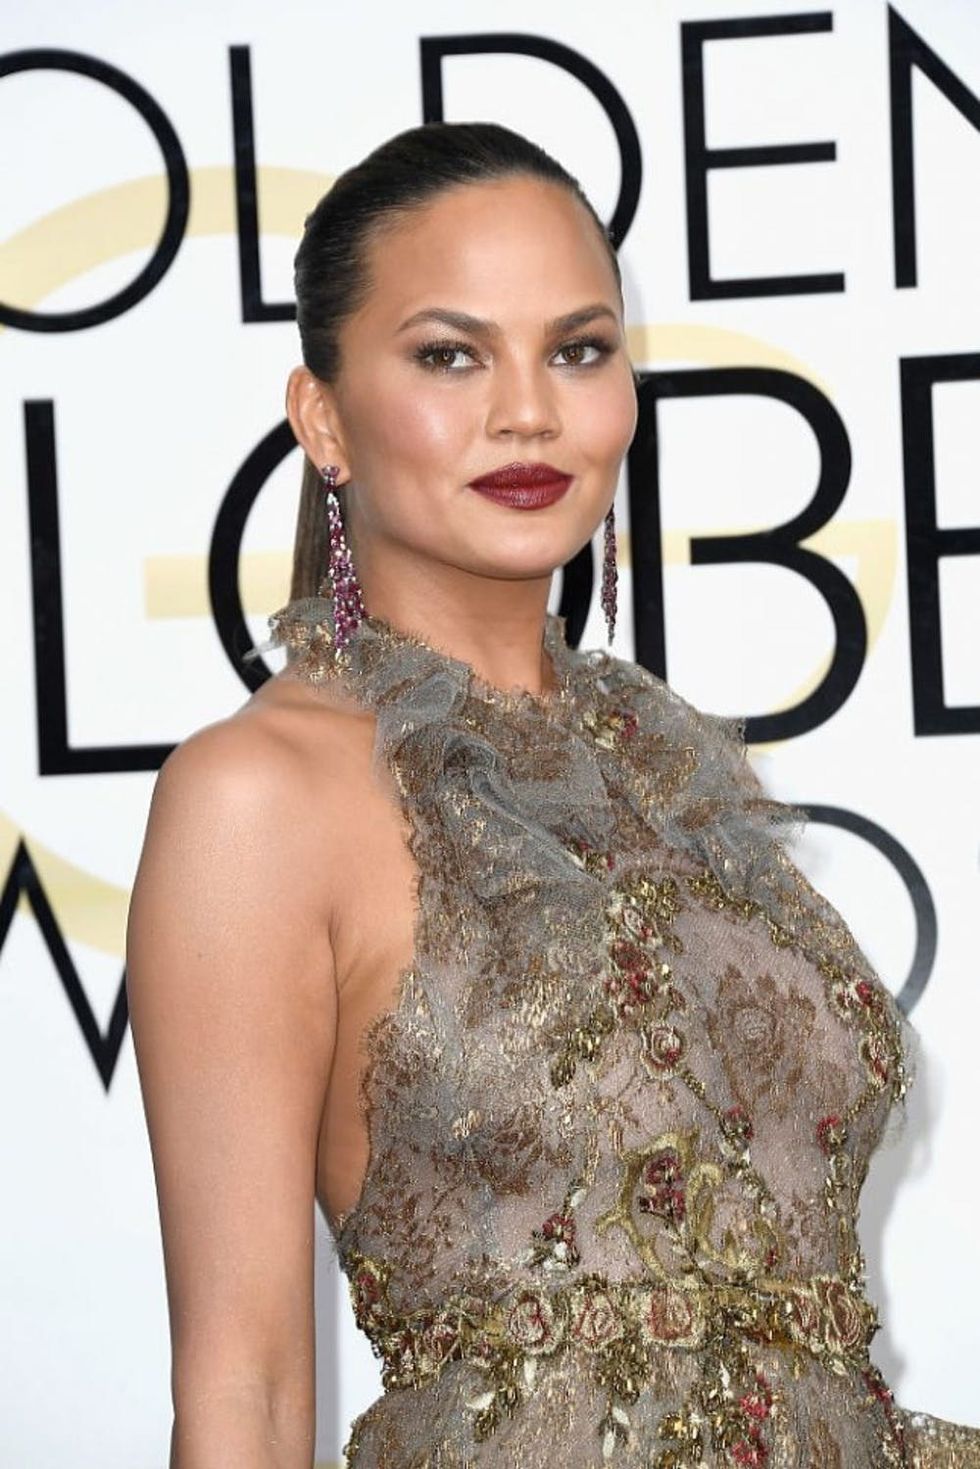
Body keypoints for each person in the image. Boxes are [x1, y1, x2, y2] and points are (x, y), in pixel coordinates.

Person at [125, 121, 979, 1468]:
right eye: (450, 354)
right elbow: (247, 1390)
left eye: (577, 349)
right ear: (324, 417)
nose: (528, 410)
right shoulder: (259, 795)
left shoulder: (670, 767)